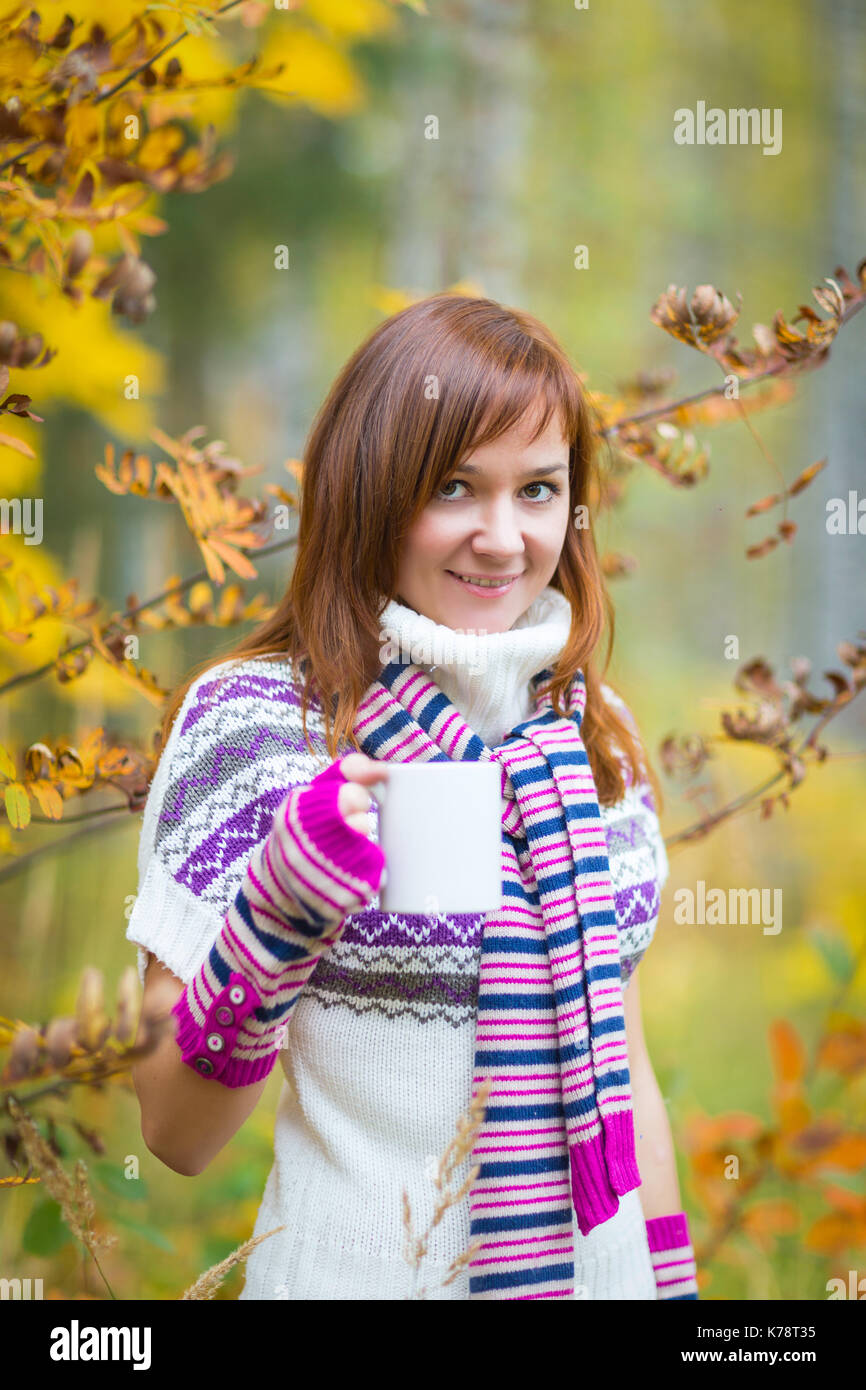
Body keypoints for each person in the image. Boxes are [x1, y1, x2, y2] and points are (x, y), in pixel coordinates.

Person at [128, 291, 699, 1300]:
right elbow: (173, 1133)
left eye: (535, 490)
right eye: (452, 486)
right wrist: (278, 911)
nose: (499, 536)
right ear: (371, 491)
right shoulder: (257, 731)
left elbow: (630, 1080)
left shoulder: (592, 733)